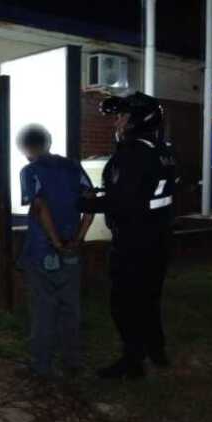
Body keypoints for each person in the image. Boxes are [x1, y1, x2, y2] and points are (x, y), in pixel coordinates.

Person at [80, 92, 178, 379]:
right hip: (159, 238)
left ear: (138, 119)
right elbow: (143, 191)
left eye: (122, 116)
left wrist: (82, 203)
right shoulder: (163, 151)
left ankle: (132, 361)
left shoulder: (131, 154)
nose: (117, 122)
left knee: (124, 304)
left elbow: (121, 201)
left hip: (134, 240)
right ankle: (156, 350)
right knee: (150, 298)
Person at [17, 124, 94, 379]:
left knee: (43, 309)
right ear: (48, 142)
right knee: (70, 307)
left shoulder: (30, 171)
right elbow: (90, 202)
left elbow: (39, 207)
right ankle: (72, 361)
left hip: (42, 250)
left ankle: (41, 365)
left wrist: (56, 242)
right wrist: (77, 239)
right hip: (72, 249)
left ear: (25, 148)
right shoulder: (73, 167)